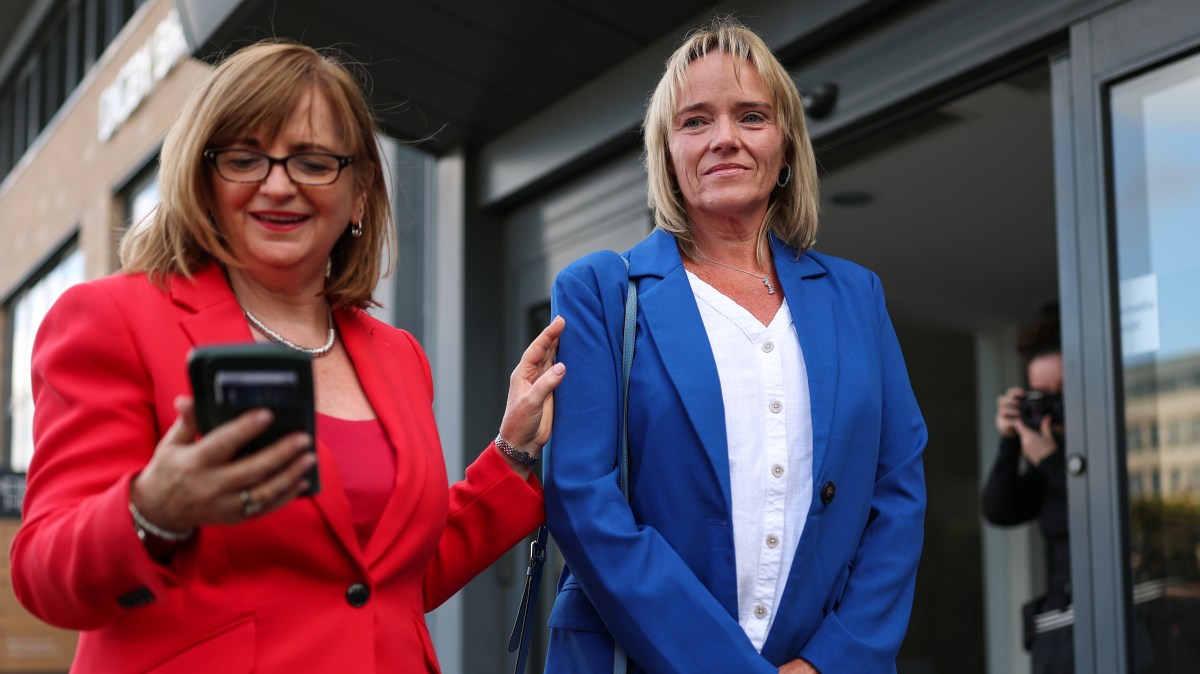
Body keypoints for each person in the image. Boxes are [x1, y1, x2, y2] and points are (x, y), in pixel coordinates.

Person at [10, 41, 565, 674]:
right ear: (203, 180)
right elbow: (43, 574)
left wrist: (512, 453)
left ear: (359, 193)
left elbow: (387, 581)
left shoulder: (398, 355)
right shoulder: (113, 319)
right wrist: (150, 511)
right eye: (244, 159)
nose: (278, 185)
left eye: (312, 162)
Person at [542, 17, 927, 674]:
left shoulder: (857, 297)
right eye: (695, 121)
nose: (725, 138)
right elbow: (583, 500)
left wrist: (828, 663)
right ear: (668, 153)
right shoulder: (600, 293)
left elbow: (898, 494)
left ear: (786, 147)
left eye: (751, 116)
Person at [981, 314, 1072, 674]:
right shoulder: (1052, 456)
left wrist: (1052, 461)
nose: (1054, 406)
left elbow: (1105, 511)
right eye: (1042, 396)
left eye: (1062, 392)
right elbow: (999, 510)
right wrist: (1009, 440)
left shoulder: (1108, 448)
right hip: (1062, 637)